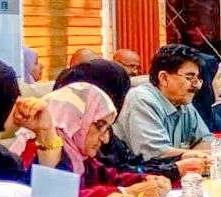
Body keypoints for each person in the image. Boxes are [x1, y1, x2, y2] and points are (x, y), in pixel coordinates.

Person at [10, 83, 166, 197]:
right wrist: (127, 192)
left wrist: (146, 179)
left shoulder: (77, 153)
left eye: (107, 129)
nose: (105, 139)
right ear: (76, 120)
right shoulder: (38, 148)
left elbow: (107, 177)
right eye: (99, 126)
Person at [55, 59, 196, 181]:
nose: (105, 138)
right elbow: (110, 178)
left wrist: (177, 162)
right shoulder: (54, 146)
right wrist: (173, 169)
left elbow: (128, 166)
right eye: (121, 94)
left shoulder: (103, 131)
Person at [114, 44, 213, 161]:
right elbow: (156, 155)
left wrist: (195, 156)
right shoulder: (142, 100)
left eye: (197, 78)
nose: (196, 85)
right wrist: (197, 156)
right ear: (164, 78)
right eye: (189, 77)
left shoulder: (183, 102)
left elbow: (206, 140)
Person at [0, 59, 64, 181]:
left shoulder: (4, 163)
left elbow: (43, 189)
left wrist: (46, 134)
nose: (19, 104)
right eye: (13, 97)